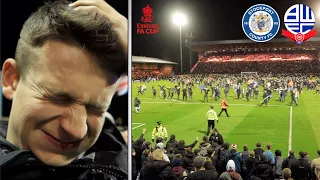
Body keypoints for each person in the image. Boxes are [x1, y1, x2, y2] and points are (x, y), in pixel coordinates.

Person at [0, 0, 128, 179]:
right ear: (12, 79)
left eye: (95, 109)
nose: (77, 130)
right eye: (58, 98)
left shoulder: (123, 167)